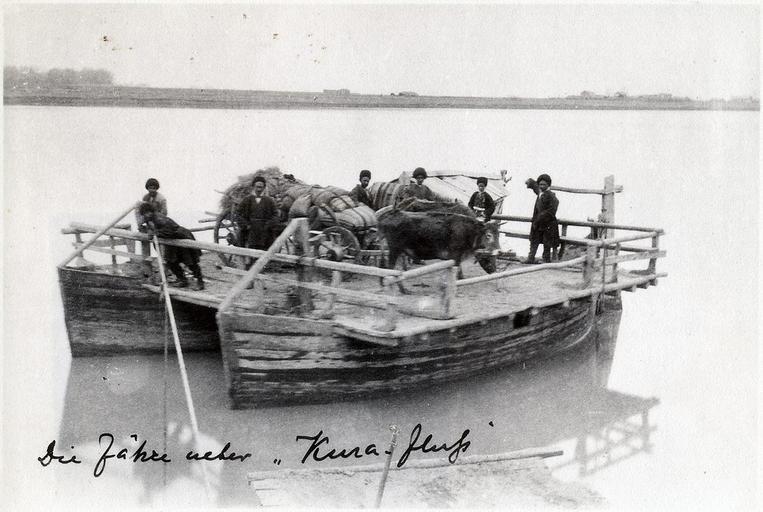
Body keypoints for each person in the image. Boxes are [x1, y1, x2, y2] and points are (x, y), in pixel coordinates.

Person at [137, 202, 205, 290]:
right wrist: (147, 229)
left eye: (147, 212)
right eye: (144, 213)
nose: (146, 215)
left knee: (190, 261)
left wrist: (155, 233)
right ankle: (182, 280)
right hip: (172, 240)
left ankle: (200, 282)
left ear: (151, 211)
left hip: (181, 237)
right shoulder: (149, 219)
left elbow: (169, 231)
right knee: (171, 261)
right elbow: (153, 229)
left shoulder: (159, 218)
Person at [235, 175, 280, 250]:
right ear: (253, 187)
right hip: (250, 232)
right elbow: (238, 214)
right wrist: (246, 225)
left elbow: (275, 215)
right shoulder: (246, 200)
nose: (259, 189)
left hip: (265, 233)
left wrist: (268, 225)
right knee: (250, 251)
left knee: (264, 251)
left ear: (264, 188)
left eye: (261, 187)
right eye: (257, 187)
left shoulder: (269, 201)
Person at [526, 173, 560, 263]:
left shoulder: (552, 196)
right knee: (534, 239)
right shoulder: (540, 192)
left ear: (548, 185)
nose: (541, 186)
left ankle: (546, 259)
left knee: (547, 242)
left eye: (544, 184)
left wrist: (540, 217)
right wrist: (529, 181)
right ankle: (530, 258)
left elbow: (551, 211)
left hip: (548, 223)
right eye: (540, 184)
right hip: (538, 223)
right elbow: (534, 185)